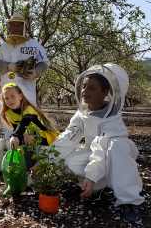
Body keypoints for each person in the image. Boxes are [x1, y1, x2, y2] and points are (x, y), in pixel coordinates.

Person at [52, 63, 144, 224]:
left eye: (92, 88)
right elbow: (68, 137)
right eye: (84, 86)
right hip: (94, 157)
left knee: (117, 146)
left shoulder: (112, 119)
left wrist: (92, 175)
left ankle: (129, 202)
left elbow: (101, 148)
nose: (84, 91)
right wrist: (46, 159)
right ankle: (93, 188)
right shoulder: (82, 114)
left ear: (105, 92)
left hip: (113, 159)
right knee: (67, 160)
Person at [0, 13, 49, 106]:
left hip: (27, 95)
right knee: (9, 120)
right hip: (7, 96)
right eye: (13, 25)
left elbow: (44, 62)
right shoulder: (3, 47)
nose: (16, 28)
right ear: (9, 27)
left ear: (25, 27)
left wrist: (36, 72)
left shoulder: (34, 45)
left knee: (28, 119)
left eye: (19, 25)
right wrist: (8, 66)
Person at [0, 82, 58, 170]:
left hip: (47, 137)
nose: (9, 100)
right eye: (6, 98)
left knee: (27, 138)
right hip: (31, 138)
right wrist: (18, 138)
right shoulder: (9, 113)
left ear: (20, 96)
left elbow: (24, 122)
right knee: (23, 142)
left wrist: (16, 136)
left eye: (12, 96)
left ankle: (41, 161)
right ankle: (27, 165)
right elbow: (17, 128)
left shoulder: (29, 109)